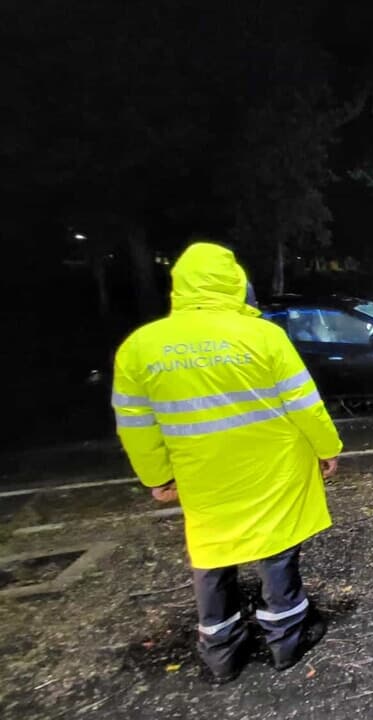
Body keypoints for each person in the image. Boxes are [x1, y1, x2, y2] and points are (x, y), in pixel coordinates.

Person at [111, 242, 341, 683]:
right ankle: (286, 643)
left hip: (203, 477)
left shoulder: (140, 347)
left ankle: (221, 654)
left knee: (213, 558)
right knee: (276, 554)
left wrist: (157, 477)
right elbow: (305, 404)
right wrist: (326, 449)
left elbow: (136, 426)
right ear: (235, 283)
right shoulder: (263, 336)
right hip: (272, 470)